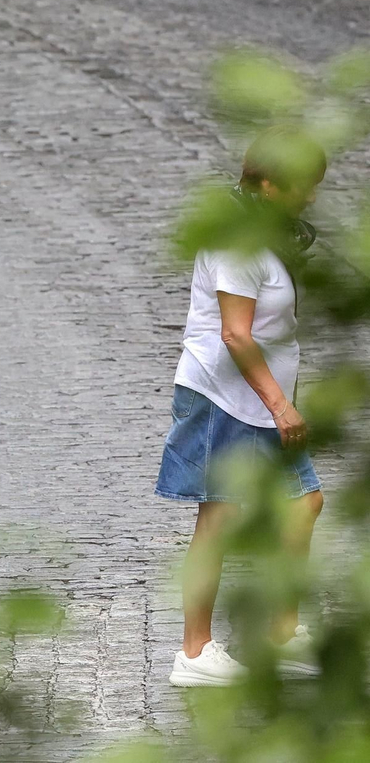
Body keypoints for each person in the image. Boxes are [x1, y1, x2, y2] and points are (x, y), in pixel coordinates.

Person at [159, 127, 327, 688]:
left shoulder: (266, 231)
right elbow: (236, 334)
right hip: (222, 396)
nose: (310, 196)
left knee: (303, 503)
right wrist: (283, 407)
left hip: (257, 397)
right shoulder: (237, 241)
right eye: (303, 185)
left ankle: (283, 633)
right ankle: (195, 651)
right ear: (267, 182)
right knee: (220, 517)